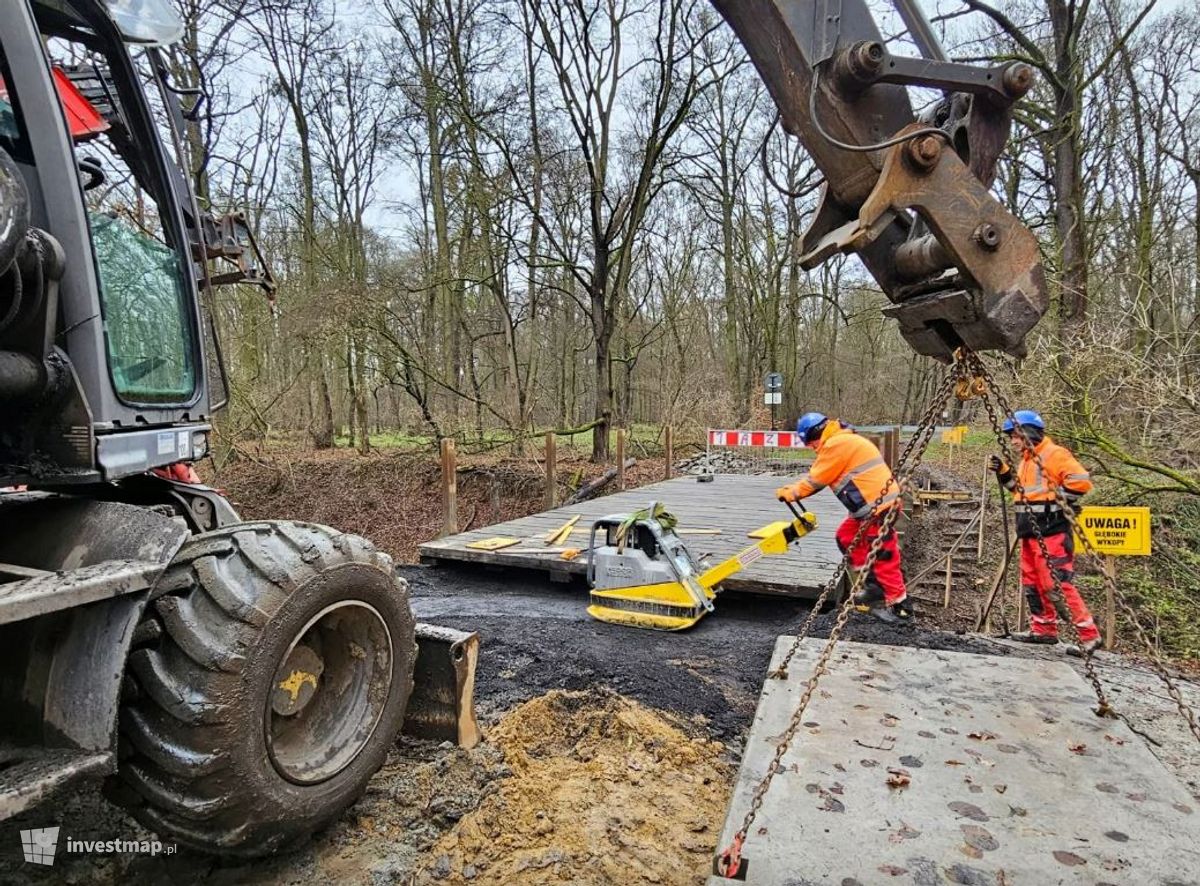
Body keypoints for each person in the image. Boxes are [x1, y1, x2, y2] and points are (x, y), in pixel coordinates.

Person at [776, 412, 913, 624]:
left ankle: (900, 609)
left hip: (880, 508)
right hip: (871, 508)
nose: (811, 448)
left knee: (883, 557)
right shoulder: (844, 439)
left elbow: (816, 480)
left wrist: (791, 492)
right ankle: (872, 586)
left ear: (816, 434)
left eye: (810, 442)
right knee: (846, 536)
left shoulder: (836, 444)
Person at [990, 409, 1100, 654]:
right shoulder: (1028, 461)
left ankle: (1088, 635)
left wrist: (1058, 502)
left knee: (1056, 583)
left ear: (1029, 432)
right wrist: (1004, 472)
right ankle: (1044, 629)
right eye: (1011, 437)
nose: (1014, 441)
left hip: (1051, 531)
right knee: (1032, 582)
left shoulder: (1054, 454)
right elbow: (1019, 492)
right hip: (1030, 531)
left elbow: (1081, 481)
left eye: (1016, 436)